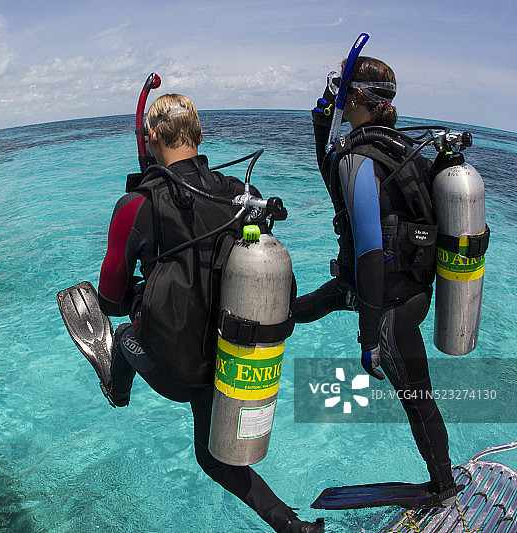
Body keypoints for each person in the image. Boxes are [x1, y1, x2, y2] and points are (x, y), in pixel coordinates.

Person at [97, 94, 324, 533]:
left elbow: (109, 300)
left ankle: (117, 392)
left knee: (123, 336)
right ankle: (293, 526)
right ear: (200, 135)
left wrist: (145, 293)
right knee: (214, 458)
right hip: (231, 361)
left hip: (177, 371)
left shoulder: (135, 206)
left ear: (151, 138)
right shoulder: (244, 196)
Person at [294, 56, 460, 508]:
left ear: (356, 97)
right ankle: (254, 327)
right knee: (299, 309)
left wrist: (370, 338)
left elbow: (369, 250)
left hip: (385, 302)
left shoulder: (359, 157)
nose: (337, 96)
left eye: (341, 89)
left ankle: (442, 487)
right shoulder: (400, 148)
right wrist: (321, 121)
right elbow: (331, 172)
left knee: (416, 398)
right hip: (408, 289)